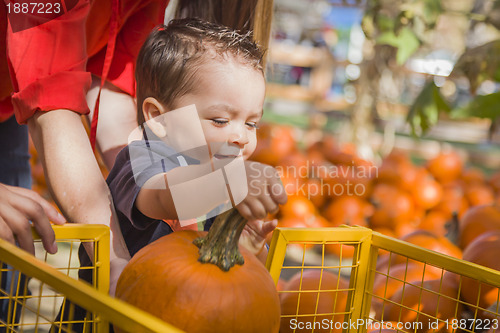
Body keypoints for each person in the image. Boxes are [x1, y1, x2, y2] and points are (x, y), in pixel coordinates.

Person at [102, 17, 287, 267]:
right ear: (160, 118)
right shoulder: (141, 162)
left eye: (251, 124)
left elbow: (243, 286)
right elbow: (163, 197)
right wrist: (228, 182)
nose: (242, 137)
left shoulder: (222, 184)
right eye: (220, 120)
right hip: (114, 302)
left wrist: (247, 249)